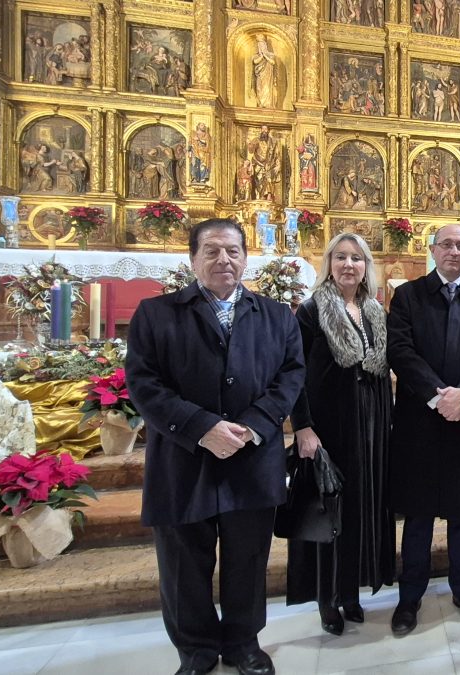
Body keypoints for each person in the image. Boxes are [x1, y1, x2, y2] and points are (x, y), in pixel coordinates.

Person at [126, 219, 305, 675]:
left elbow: (290, 376)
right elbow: (144, 383)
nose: (224, 259)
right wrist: (202, 427)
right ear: (193, 259)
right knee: (183, 563)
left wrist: (252, 426)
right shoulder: (156, 314)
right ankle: (196, 650)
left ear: (246, 258)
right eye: (212, 251)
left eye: (233, 251)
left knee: (248, 559)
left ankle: (244, 644)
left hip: (252, 457)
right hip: (182, 458)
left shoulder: (277, 315)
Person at [386, 224, 460, 635]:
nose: (454, 251)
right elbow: (400, 350)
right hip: (420, 421)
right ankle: (410, 596)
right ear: (433, 250)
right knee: (418, 515)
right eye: (447, 245)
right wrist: (438, 397)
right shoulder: (408, 295)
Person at [286, 233, 395, 636]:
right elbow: (293, 373)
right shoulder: (312, 310)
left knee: (362, 510)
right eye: (341, 257)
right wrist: (303, 427)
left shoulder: (375, 311)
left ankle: (350, 590)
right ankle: (326, 598)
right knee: (330, 512)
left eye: (357, 258)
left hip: (371, 426)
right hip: (330, 426)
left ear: (367, 266)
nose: (349, 264)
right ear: (329, 264)